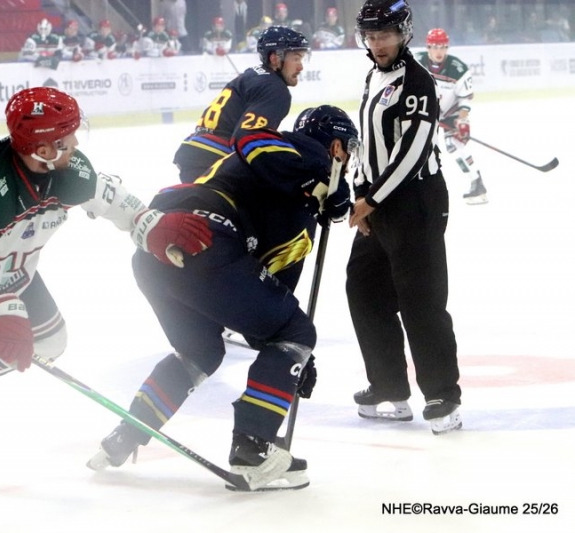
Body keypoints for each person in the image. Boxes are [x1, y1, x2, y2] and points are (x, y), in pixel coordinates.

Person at [0, 87, 213, 518]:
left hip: (12, 266)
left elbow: (110, 199)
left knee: (51, 342)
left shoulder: (67, 168)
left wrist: (147, 223)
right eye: (67, 137)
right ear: (42, 148)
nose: (77, 144)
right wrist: (1, 312)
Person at [87, 105, 358, 491]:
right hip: (205, 236)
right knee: (296, 332)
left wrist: (287, 363)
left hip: (159, 250)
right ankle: (252, 447)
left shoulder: (301, 206)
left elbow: (266, 301)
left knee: (200, 353)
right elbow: (250, 140)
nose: (346, 161)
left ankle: (126, 433)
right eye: (346, 151)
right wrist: (320, 177)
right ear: (335, 146)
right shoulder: (306, 151)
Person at [347, 0, 462, 436]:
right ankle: (389, 387)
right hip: (377, 203)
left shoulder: (417, 82)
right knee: (364, 290)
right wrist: (360, 192)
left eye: (386, 35)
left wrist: (369, 201)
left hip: (415, 202)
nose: (377, 44)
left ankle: (442, 395)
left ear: (404, 34)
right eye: (371, 36)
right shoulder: (374, 76)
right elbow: (372, 145)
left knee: (421, 299)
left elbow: (412, 152)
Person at [173, 25, 309, 184]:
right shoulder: (276, 89)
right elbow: (246, 139)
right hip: (214, 158)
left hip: (194, 150)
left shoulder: (252, 74)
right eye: (296, 58)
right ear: (275, 58)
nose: (300, 67)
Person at [415, 28, 487, 204]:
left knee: (453, 145)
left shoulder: (458, 69)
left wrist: (462, 120)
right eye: (435, 47)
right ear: (428, 47)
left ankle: (477, 183)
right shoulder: (416, 62)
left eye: (443, 47)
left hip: (450, 114)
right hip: (425, 111)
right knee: (416, 147)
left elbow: (465, 98)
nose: (439, 51)